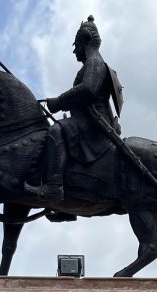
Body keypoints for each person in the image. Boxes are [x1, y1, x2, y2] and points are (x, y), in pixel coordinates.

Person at [25, 15, 123, 201]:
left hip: (93, 124)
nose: (74, 51)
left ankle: (54, 187)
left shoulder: (94, 62)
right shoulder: (94, 63)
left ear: (85, 40)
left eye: (76, 46)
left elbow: (88, 90)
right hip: (87, 121)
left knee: (55, 130)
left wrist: (58, 102)